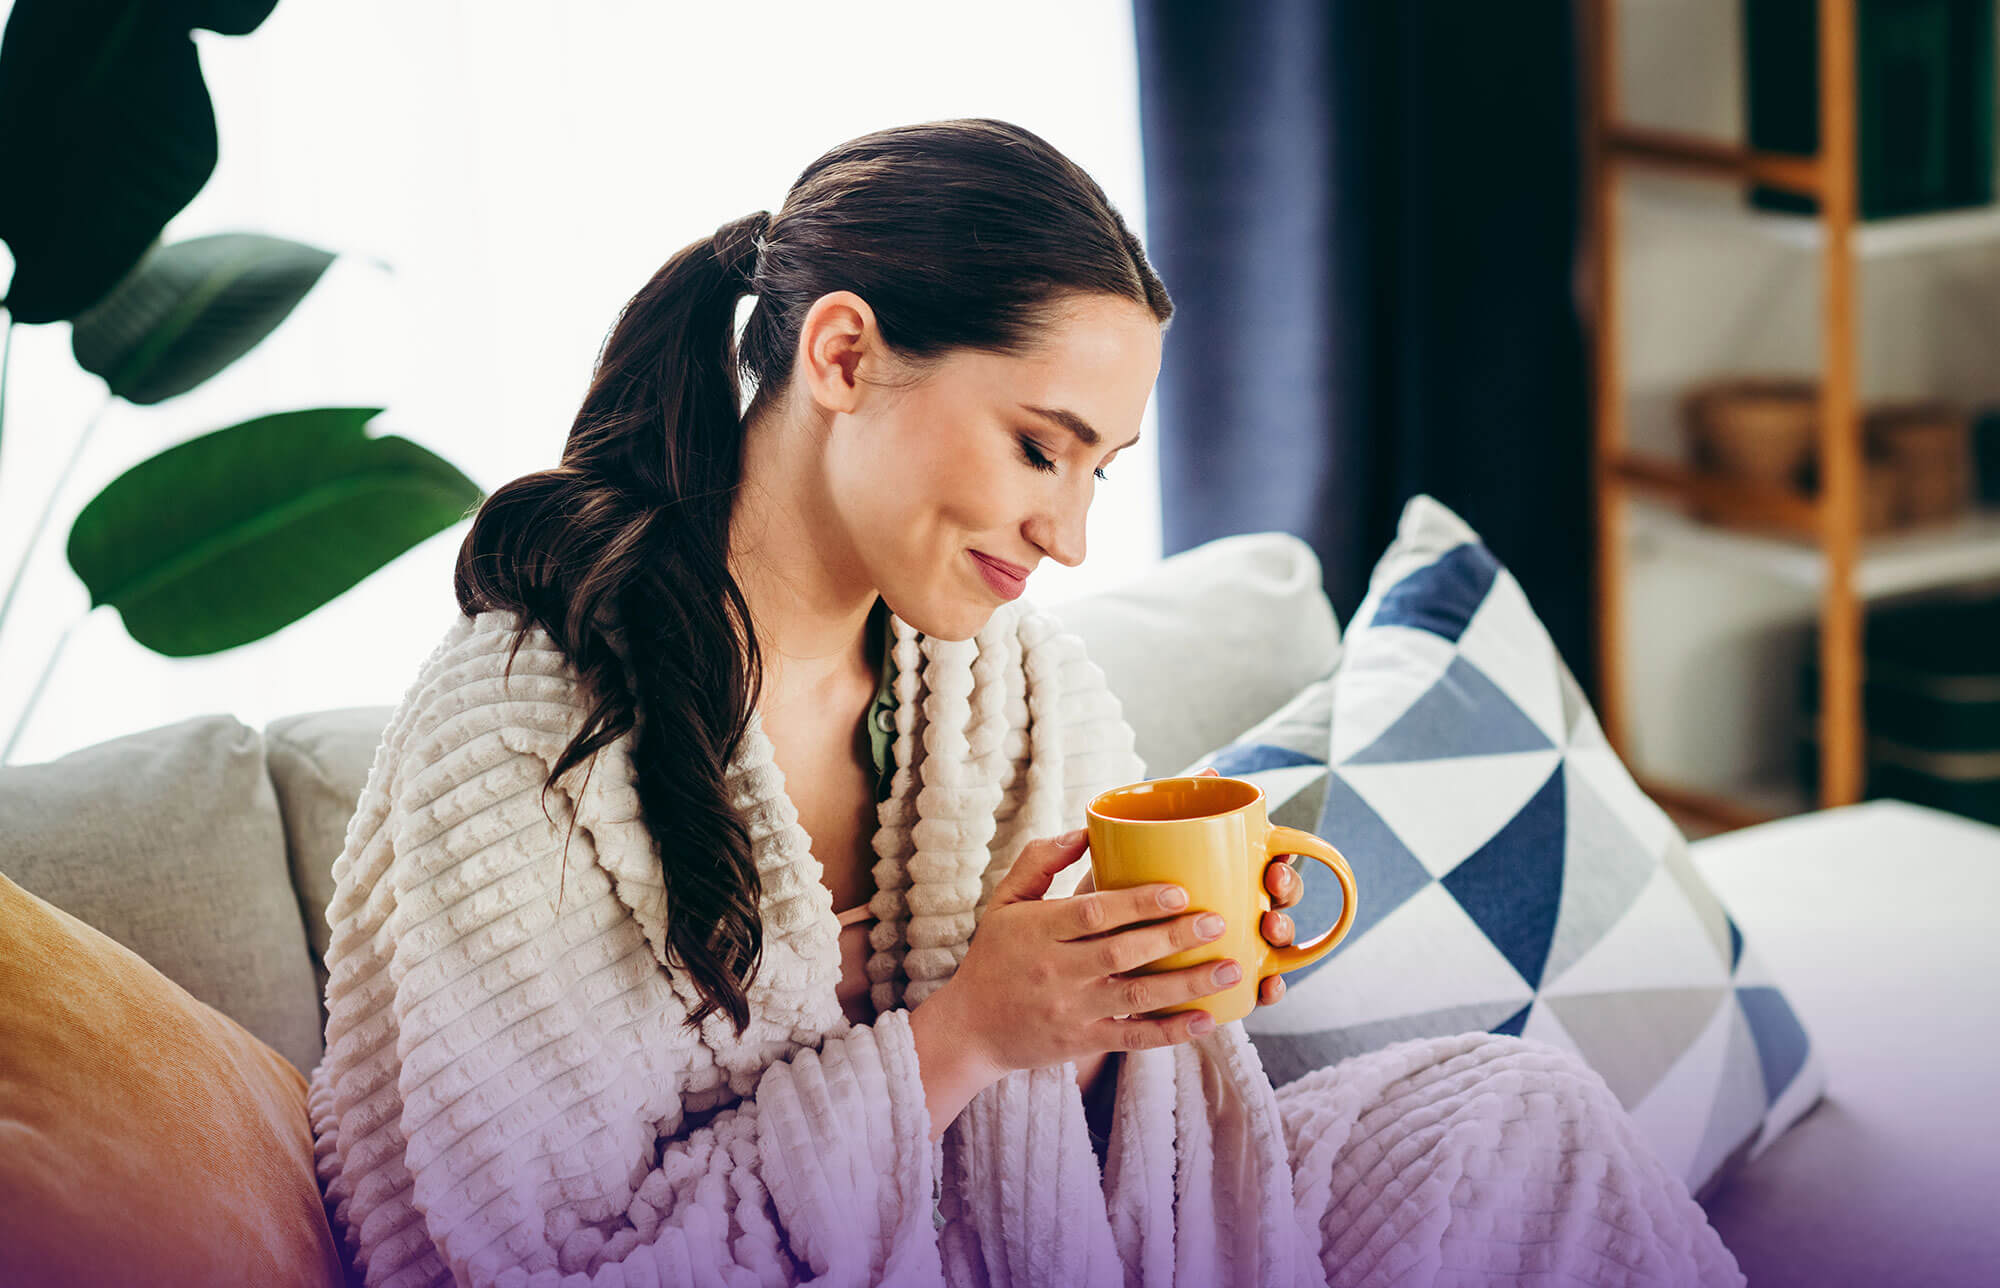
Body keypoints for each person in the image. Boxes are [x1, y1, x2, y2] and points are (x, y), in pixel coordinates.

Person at [307, 118, 1745, 1288]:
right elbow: (528, 1263)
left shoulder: (1011, 685)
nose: (1070, 536)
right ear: (844, 356)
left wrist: (1131, 1003)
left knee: (1521, 1119)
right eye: (1040, 450)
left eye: (1100, 469)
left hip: (1032, 1240)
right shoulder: (527, 732)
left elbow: (1119, 1153)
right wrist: (968, 1033)